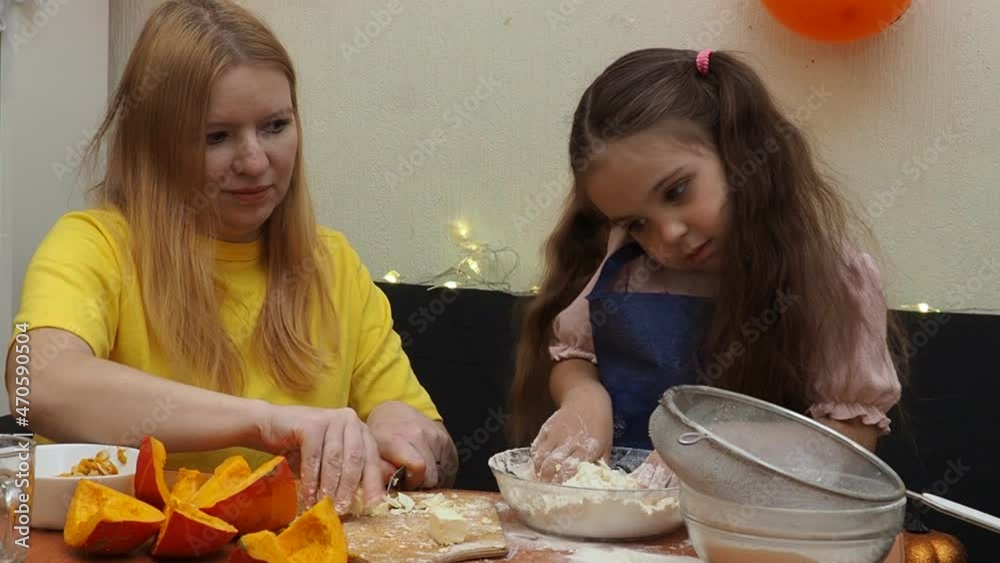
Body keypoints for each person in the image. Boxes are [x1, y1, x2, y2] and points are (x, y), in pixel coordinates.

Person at [3, 0, 456, 514]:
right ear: (155, 148)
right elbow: (37, 383)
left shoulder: (332, 263)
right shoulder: (94, 244)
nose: (256, 161)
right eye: (217, 137)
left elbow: (435, 447)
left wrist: (405, 431)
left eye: (275, 126)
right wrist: (265, 422)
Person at [510, 48, 904, 484]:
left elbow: (851, 441)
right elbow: (574, 354)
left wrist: (728, 444)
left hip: (758, 532)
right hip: (630, 527)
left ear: (738, 150)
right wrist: (583, 395)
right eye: (637, 223)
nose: (667, 235)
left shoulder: (834, 278)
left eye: (677, 191)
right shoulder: (627, 266)